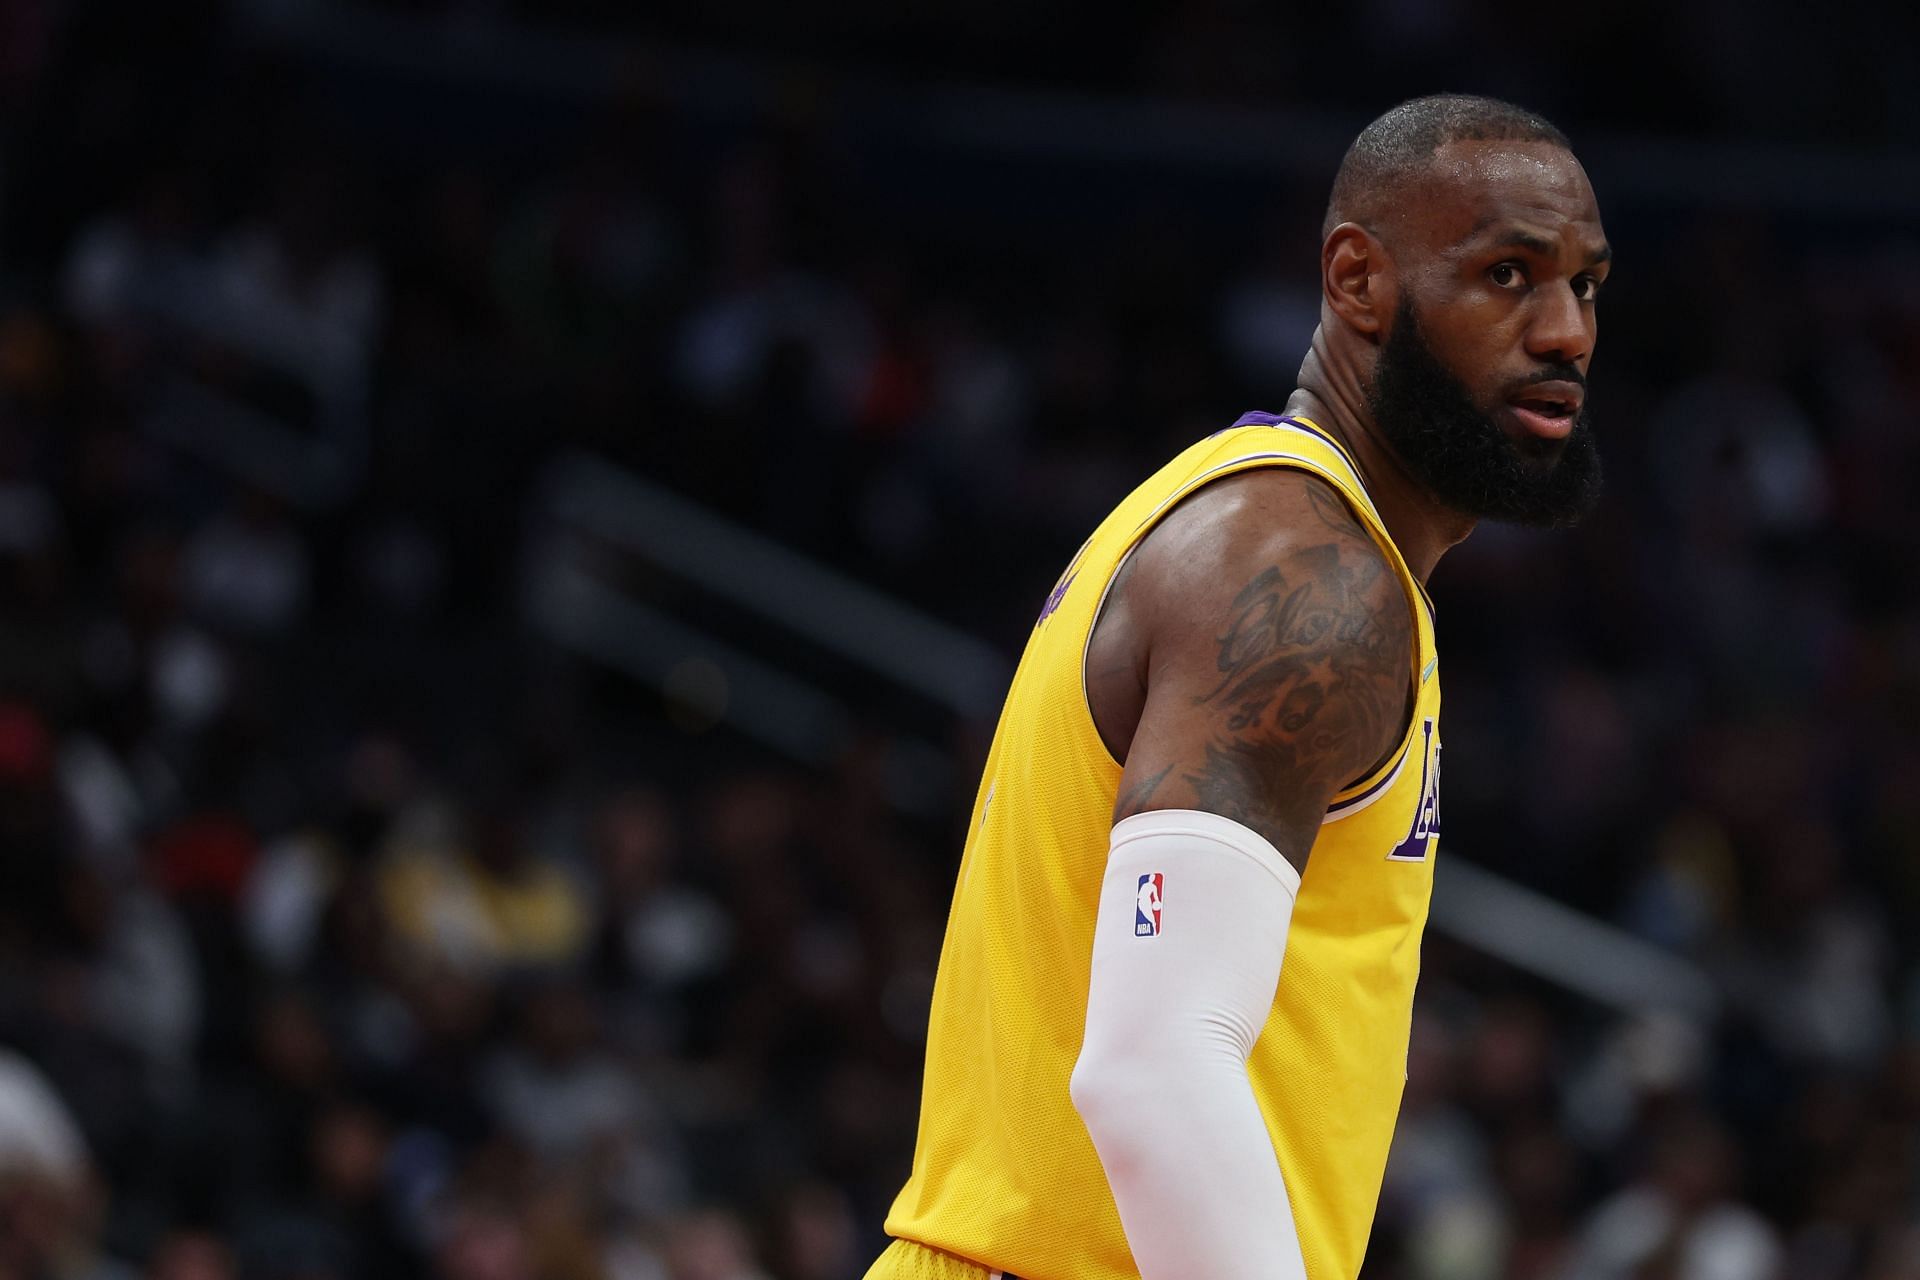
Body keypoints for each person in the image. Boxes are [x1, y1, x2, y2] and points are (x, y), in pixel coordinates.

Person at [862, 93, 1611, 1280]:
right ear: (1358, 282)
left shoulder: (1251, 517)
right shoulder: (1301, 577)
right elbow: (1155, 1069)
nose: (1566, 330)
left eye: (1586, 286)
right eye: (1509, 275)